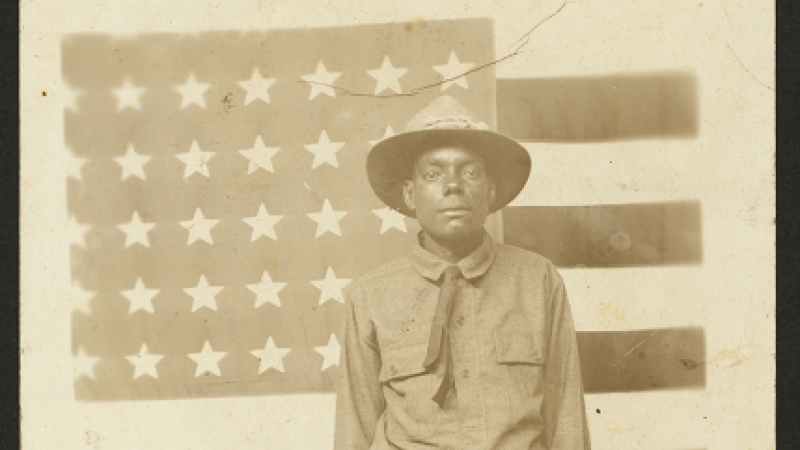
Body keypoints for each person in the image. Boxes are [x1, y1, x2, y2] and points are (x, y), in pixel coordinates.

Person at [334, 96, 590, 450]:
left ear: (490, 190)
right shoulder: (370, 296)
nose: (452, 185)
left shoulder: (538, 280)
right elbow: (354, 431)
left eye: (470, 172)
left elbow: (568, 420)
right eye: (432, 174)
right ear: (410, 193)